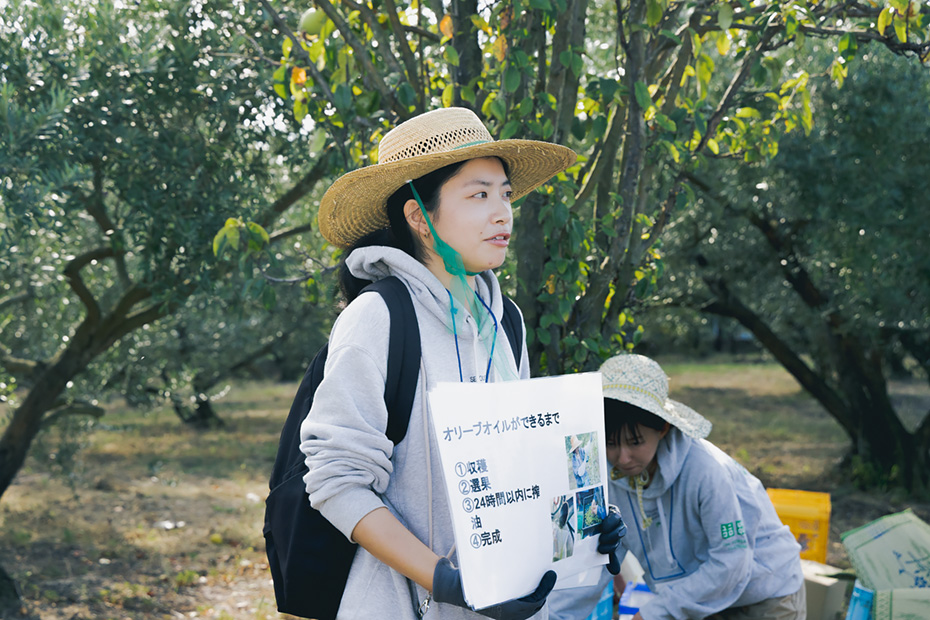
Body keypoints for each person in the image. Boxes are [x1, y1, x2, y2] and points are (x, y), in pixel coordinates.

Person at [298, 107, 624, 620]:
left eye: (505, 194)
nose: (503, 213)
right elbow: (337, 481)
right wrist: (446, 580)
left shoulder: (506, 321)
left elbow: (523, 460)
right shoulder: (379, 318)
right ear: (418, 218)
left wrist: (585, 517)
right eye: (479, 194)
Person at [549, 354, 806, 620]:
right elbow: (594, 559)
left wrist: (652, 613)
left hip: (764, 594)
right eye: (611, 443)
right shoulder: (602, 477)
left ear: (662, 427)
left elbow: (731, 563)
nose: (623, 458)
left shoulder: (705, 471)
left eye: (635, 442)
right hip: (694, 594)